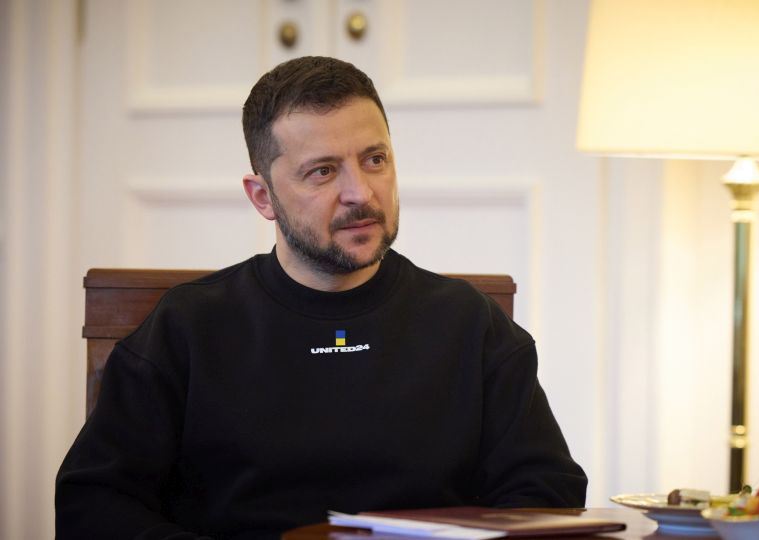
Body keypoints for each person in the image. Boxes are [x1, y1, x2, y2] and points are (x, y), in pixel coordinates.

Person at [55, 56, 587, 539]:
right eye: (323, 171)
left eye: (375, 159)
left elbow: (546, 494)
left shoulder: (471, 324)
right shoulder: (187, 328)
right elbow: (94, 504)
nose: (361, 193)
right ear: (262, 196)